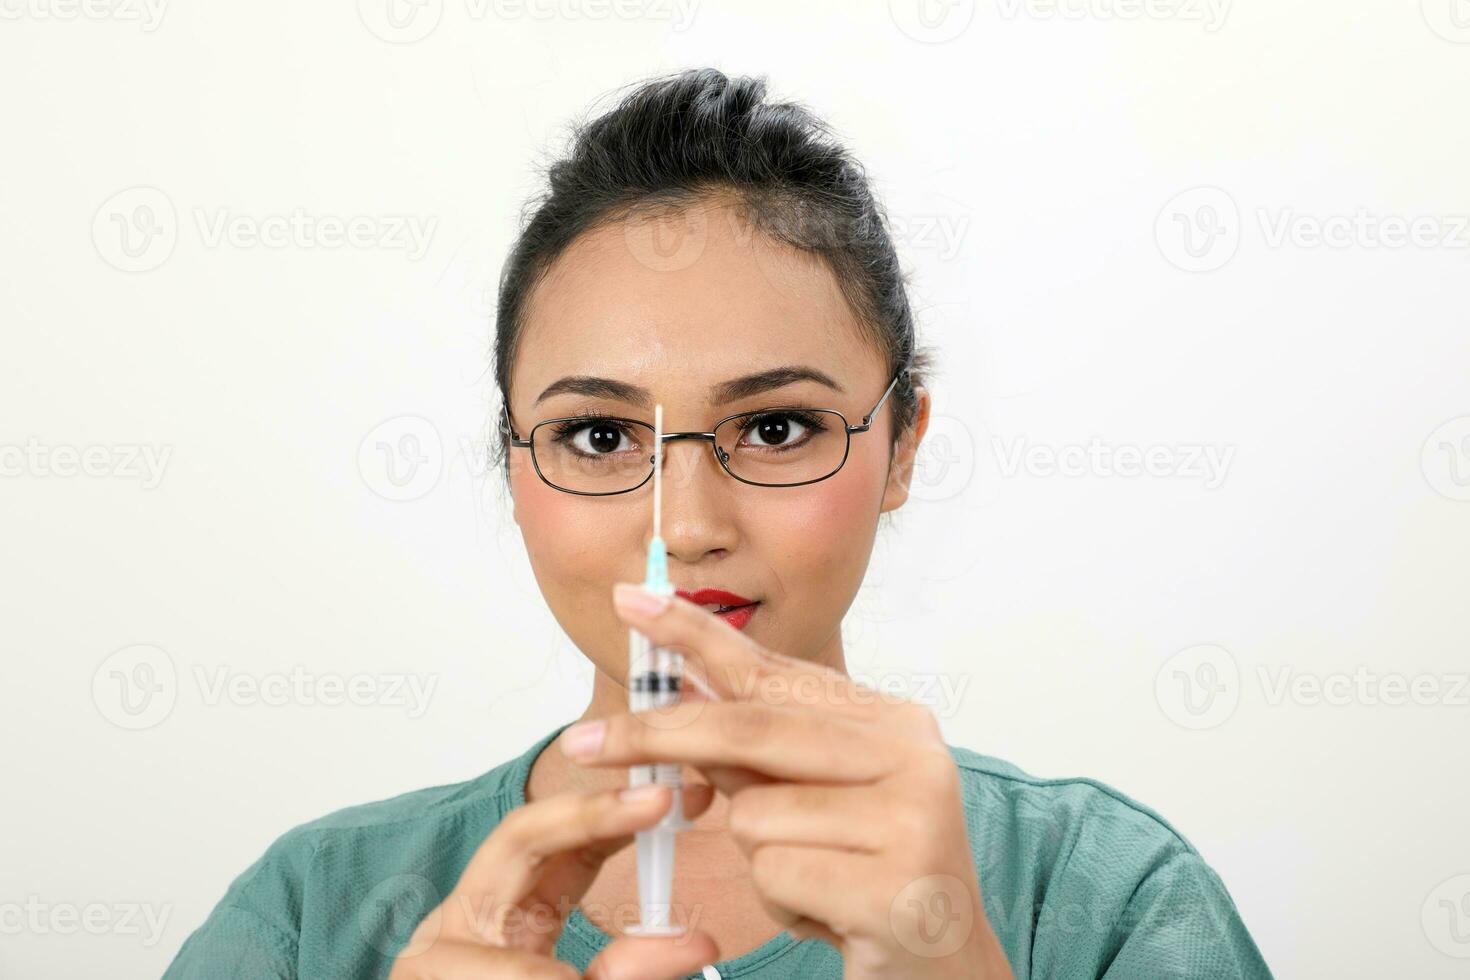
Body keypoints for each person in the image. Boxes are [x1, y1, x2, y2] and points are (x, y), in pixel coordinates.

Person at [164, 67, 1274, 979]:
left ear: (905, 444)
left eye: (779, 427)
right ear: (510, 463)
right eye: (600, 437)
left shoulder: (1108, 897)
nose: (685, 526)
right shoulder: (315, 914)